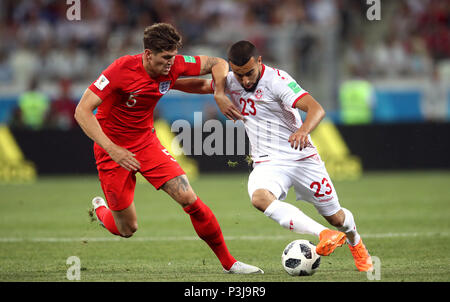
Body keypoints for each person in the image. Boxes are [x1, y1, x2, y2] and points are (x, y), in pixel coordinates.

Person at [74, 24, 263, 274]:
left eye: (173, 57)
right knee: (127, 229)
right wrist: (112, 149)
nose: (170, 64)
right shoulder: (120, 70)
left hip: (145, 142)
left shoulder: (175, 63)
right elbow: (82, 111)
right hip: (112, 149)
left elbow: (218, 63)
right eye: (165, 58)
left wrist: (218, 93)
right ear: (148, 54)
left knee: (189, 198)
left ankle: (229, 263)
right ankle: (101, 211)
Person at [173, 40, 373, 272]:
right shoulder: (230, 82)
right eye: (239, 75)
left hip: (301, 157)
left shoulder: (277, 81)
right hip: (267, 161)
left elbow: (316, 108)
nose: (245, 80)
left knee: (337, 218)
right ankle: (324, 234)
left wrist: (303, 130)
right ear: (230, 69)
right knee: (259, 198)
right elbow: (199, 85)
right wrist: (168, 84)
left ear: (259, 62)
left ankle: (356, 242)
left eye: (249, 73)